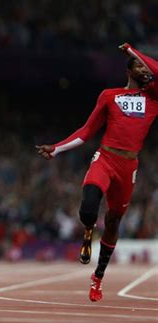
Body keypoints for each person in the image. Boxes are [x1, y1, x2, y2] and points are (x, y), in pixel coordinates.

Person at [36, 43, 157, 302]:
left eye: (147, 67)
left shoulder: (154, 99)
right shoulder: (109, 96)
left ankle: (98, 277)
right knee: (89, 207)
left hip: (129, 167)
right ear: (128, 71)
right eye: (138, 66)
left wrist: (136, 53)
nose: (145, 70)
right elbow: (87, 131)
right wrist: (56, 148)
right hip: (106, 158)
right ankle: (88, 230)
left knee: (114, 221)